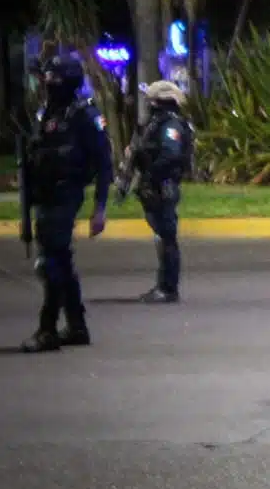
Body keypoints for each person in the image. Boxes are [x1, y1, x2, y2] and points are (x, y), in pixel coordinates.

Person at [20, 51, 113, 352]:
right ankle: (77, 325)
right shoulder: (47, 113)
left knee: (50, 264)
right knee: (61, 261)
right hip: (44, 196)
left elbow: (103, 162)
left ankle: (47, 329)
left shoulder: (83, 115)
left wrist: (100, 208)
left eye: (53, 79)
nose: (48, 84)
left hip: (65, 195)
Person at [124, 80, 194, 302]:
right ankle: (163, 285)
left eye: (152, 100)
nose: (149, 104)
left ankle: (168, 288)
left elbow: (170, 155)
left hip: (163, 186)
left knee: (166, 238)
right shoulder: (156, 123)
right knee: (162, 237)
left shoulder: (170, 124)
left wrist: (150, 175)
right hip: (155, 185)